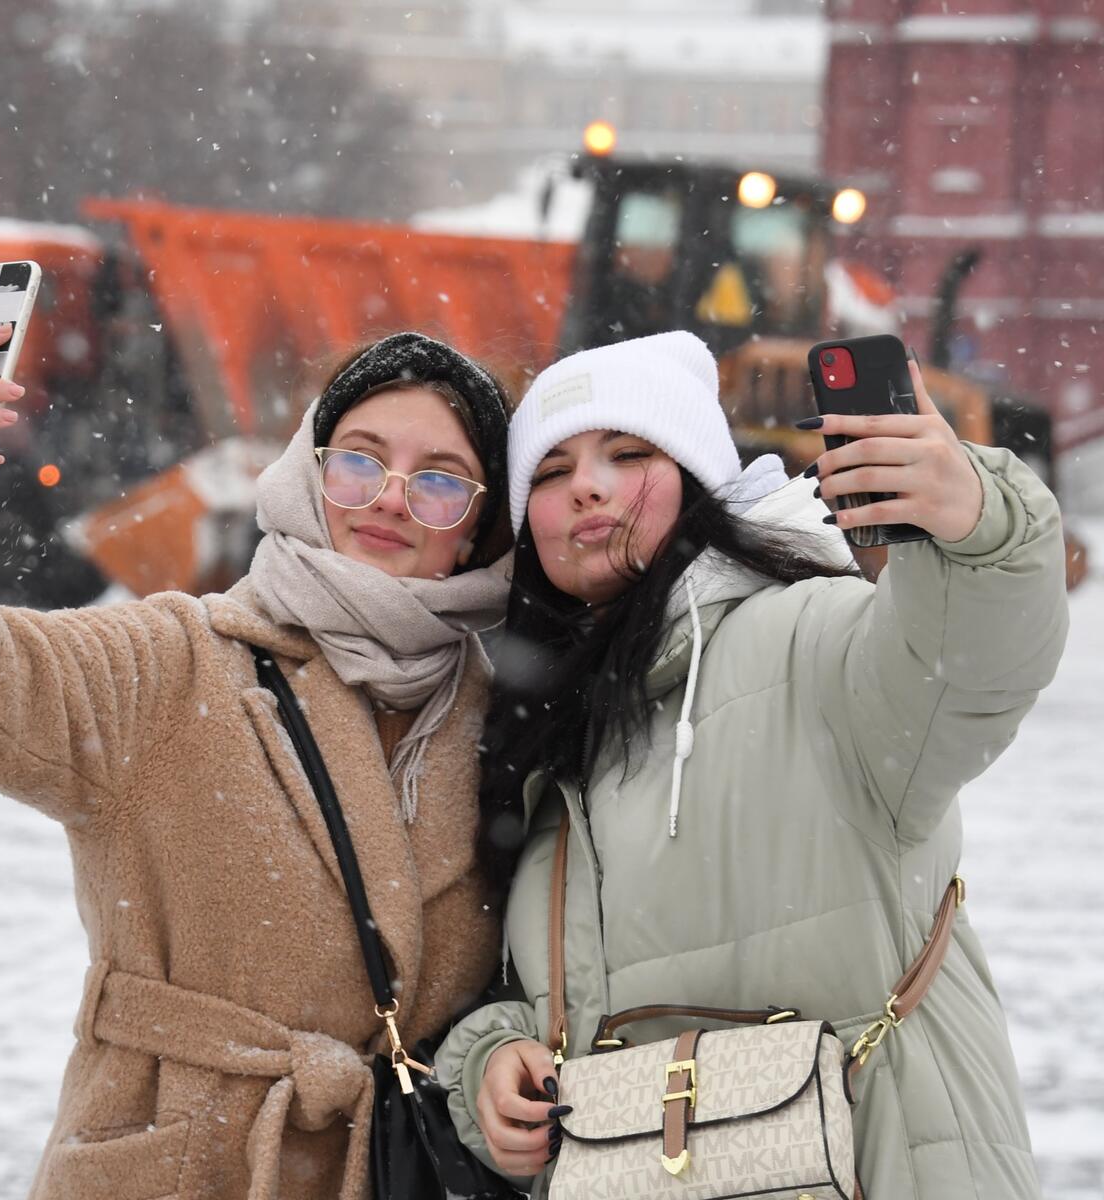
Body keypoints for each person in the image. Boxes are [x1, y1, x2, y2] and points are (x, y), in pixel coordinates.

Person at [436, 330, 1068, 1199]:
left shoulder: (815, 637)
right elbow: (583, 995)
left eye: (628, 453)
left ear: (699, 482)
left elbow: (975, 660)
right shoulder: (547, 736)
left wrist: (978, 524)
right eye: (549, 472)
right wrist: (495, 1063)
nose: (586, 484)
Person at [0, 325, 515, 1200]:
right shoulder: (174, 664)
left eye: (440, 481)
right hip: (174, 1166)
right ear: (310, 473)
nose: (389, 500)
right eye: (360, 461)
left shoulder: (509, 724)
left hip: (386, 1171)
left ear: (480, 522)